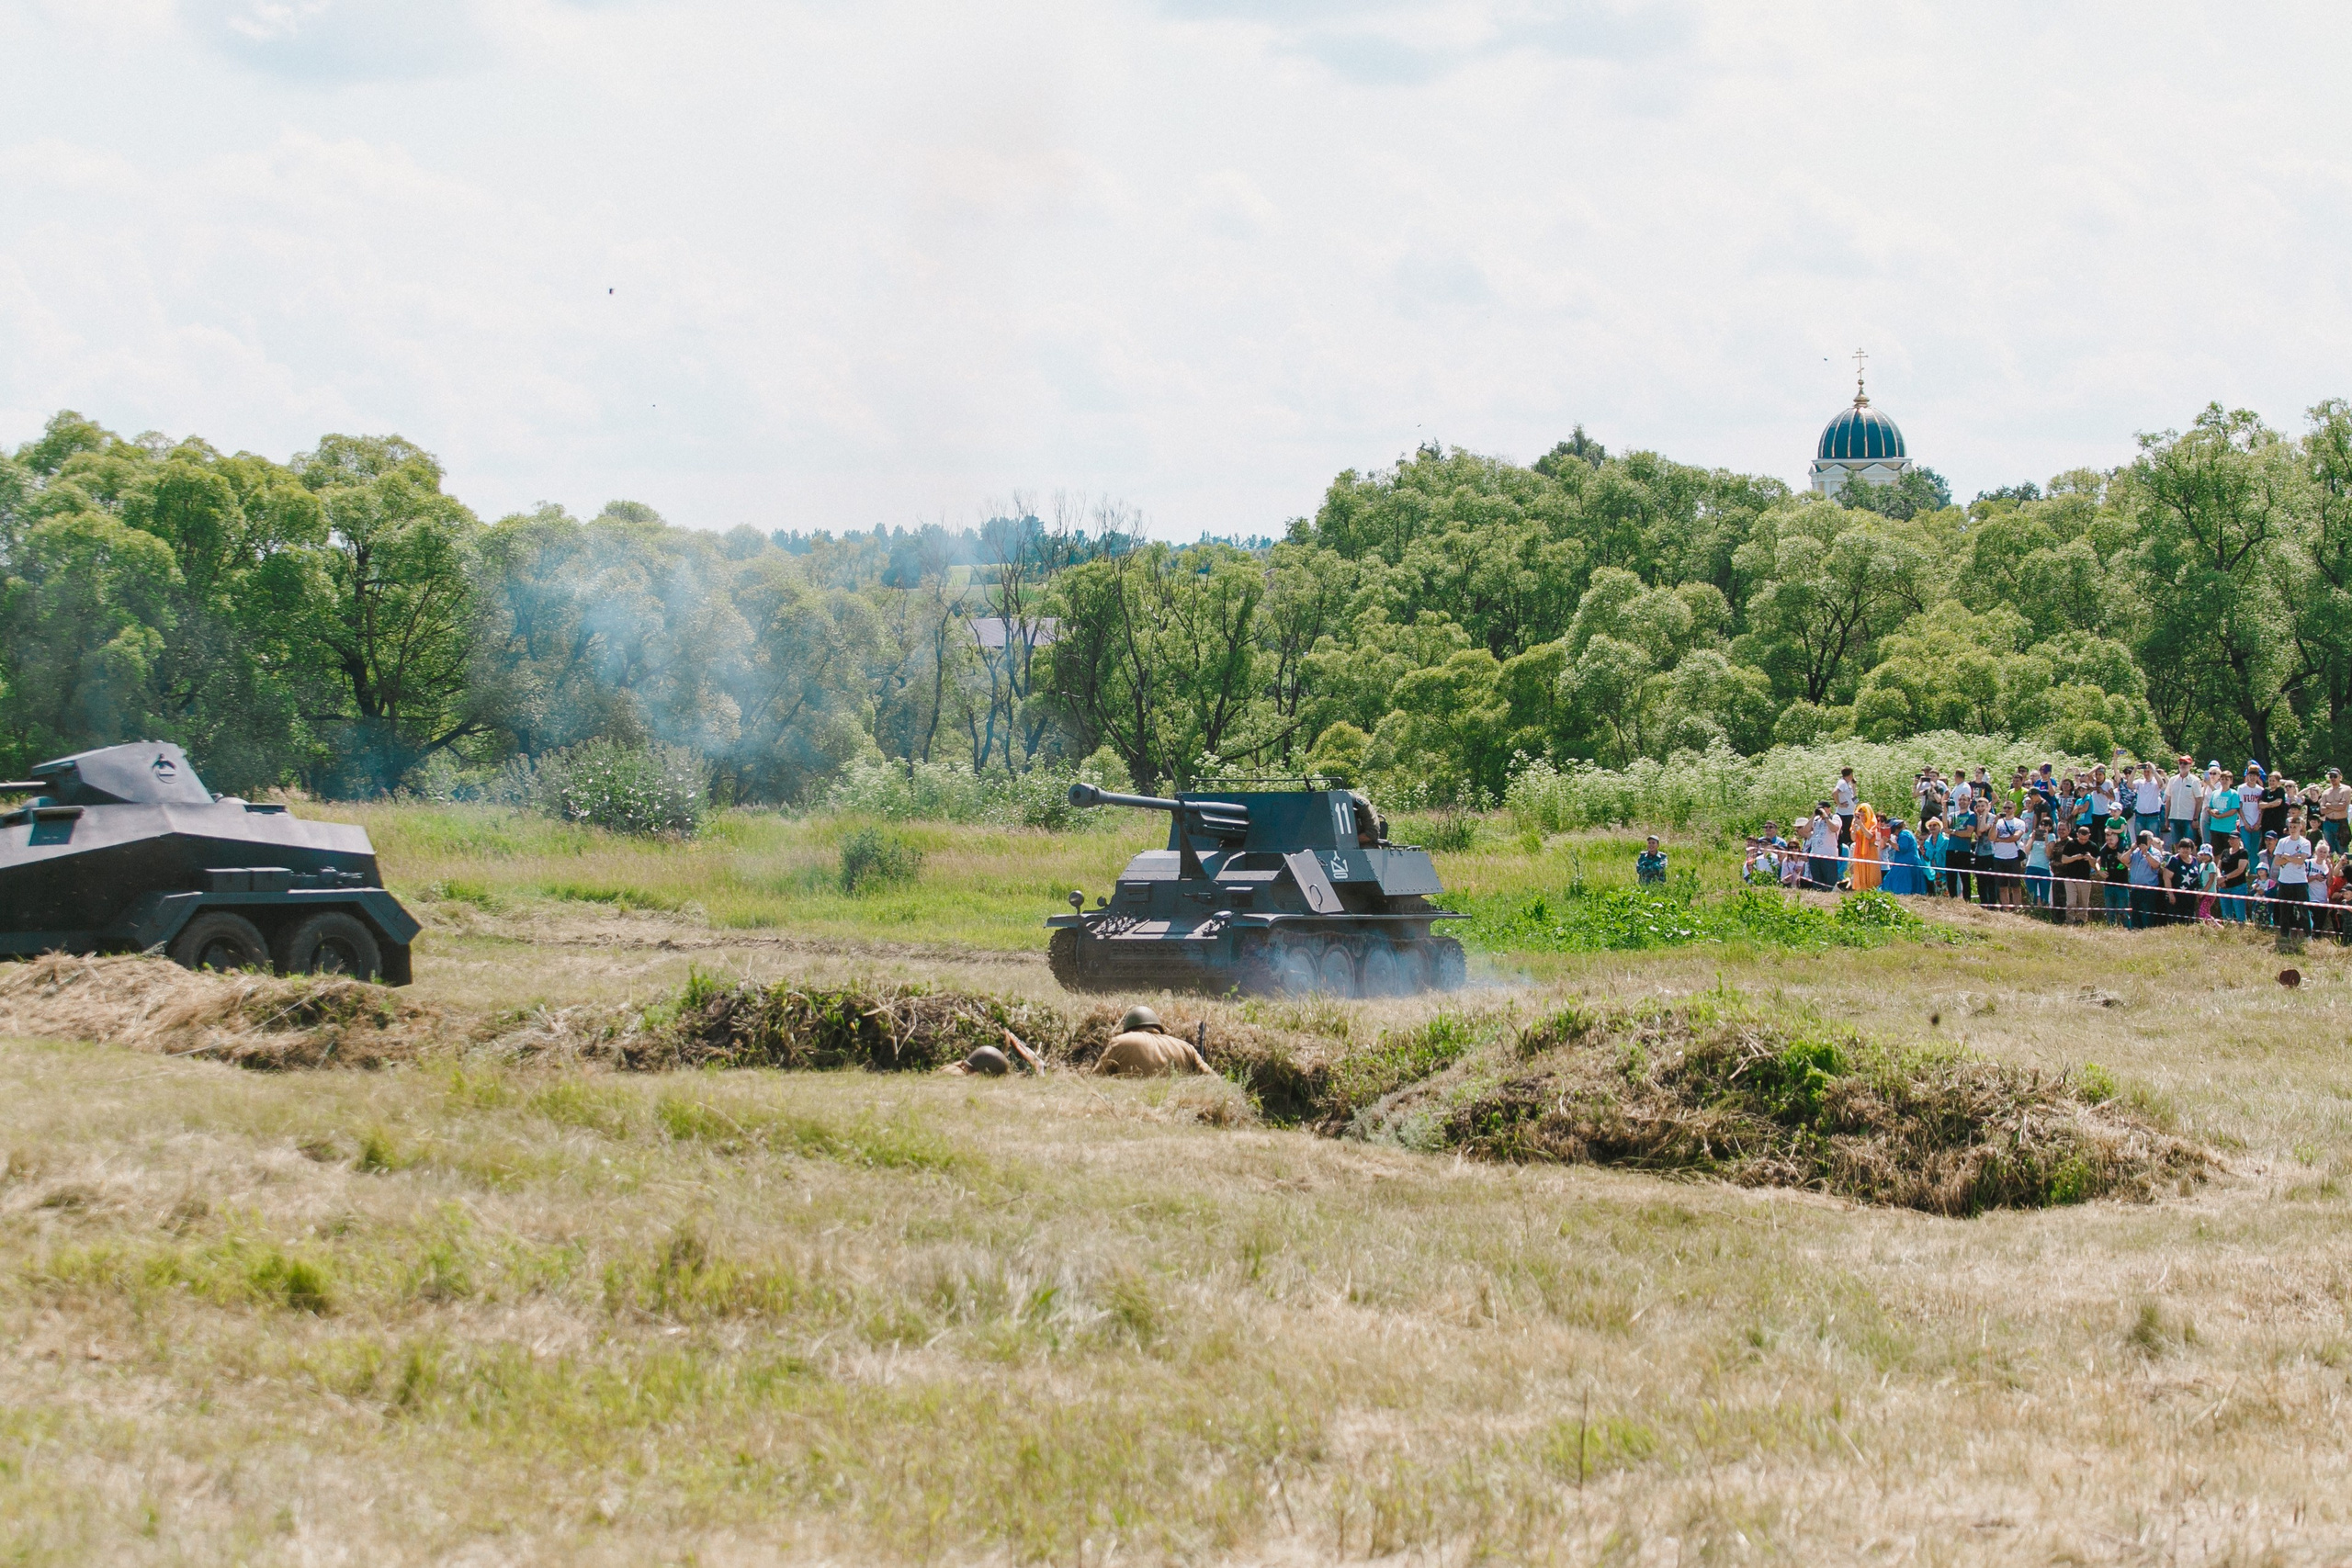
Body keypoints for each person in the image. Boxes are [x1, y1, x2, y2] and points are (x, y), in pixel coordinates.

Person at [2054, 824, 2098, 925]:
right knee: (2071, 903)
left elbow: (2095, 866)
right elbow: (2064, 860)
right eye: (2081, 839)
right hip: (2070, 878)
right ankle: (2070, 921)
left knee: (2083, 904)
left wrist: (2090, 858)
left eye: (2085, 839)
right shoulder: (2071, 844)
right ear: (2077, 834)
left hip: (2085, 879)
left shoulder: (2093, 846)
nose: (2083, 841)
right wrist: (2076, 857)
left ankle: (2081, 922)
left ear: (2089, 836)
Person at [2127, 830, 2167, 931]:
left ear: (2150, 841)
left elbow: (2156, 865)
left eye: (2144, 839)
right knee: (2135, 913)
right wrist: (2131, 849)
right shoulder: (2136, 852)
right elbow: (2124, 860)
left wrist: (2146, 853)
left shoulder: (2156, 852)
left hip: (2149, 890)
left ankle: (2147, 931)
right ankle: (2135, 930)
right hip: (2135, 888)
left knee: (2147, 914)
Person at [1988, 801, 2025, 908]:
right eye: (2005, 808)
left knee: (2016, 886)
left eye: (2009, 808)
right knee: (2002, 887)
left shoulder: (2019, 823)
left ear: (2014, 808)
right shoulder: (1998, 823)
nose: (2007, 810)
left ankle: (2018, 908)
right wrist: (1995, 822)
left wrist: (1999, 839)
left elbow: (2015, 837)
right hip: (1999, 858)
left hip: (2013, 858)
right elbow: (1991, 837)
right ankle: (2006, 908)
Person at [2165, 755, 2204, 847]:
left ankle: (2192, 861)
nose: (2182, 765)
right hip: (2174, 817)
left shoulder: (2195, 781)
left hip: (2188, 818)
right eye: (2180, 763)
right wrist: (2167, 819)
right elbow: (2168, 800)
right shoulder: (2172, 780)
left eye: (2185, 763)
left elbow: (2199, 800)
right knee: (2176, 844)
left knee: (2190, 845)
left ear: (2190, 765)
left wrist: (2195, 818)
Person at [1883, 818, 1927, 895]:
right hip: (1908, 861)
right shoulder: (1906, 833)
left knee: (1894, 882)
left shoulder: (1904, 834)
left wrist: (1889, 841)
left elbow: (1902, 848)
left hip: (1906, 862)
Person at [2099, 828, 2132, 928]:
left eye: (2111, 840)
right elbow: (2097, 862)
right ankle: (2111, 929)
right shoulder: (2104, 850)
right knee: (2110, 912)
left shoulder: (2124, 850)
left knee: (2123, 912)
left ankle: (2128, 929)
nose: (2109, 842)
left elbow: (2131, 866)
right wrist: (2099, 871)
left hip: (2122, 885)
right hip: (2108, 885)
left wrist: (2122, 860)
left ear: (2117, 839)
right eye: (2107, 840)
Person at [2205, 771, 2242, 857]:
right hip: (2215, 827)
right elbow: (2209, 807)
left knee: (2228, 852)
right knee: (2216, 853)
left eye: (2227, 779)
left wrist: (2220, 816)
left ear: (2231, 781)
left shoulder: (2234, 794)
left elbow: (2234, 810)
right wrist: (2212, 812)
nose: (2224, 781)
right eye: (2222, 779)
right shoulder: (2215, 793)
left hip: (2228, 829)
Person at [1806, 804, 1841, 890]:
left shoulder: (1835, 817)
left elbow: (1834, 828)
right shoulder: (1816, 820)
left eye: (1822, 808)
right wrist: (1813, 816)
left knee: (1829, 881)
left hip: (1828, 855)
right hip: (1814, 854)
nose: (1820, 810)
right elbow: (1805, 830)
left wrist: (1825, 816)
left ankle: (1830, 894)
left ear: (1829, 809)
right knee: (1817, 881)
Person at [2216, 832, 2249, 923]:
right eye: (2230, 838)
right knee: (2226, 915)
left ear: (2239, 840)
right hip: (2224, 887)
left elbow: (2240, 869)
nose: (2231, 841)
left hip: (2238, 887)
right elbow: (2218, 866)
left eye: (2234, 838)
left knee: (2240, 914)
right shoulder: (2225, 852)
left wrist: (2225, 877)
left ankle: (2242, 932)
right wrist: (2219, 877)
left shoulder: (2243, 852)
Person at [1850, 803, 1883, 892]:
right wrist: (1854, 829)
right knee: (1860, 871)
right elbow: (1853, 839)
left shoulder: (1873, 823)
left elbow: (1869, 836)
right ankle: (1861, 889)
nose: (1861, 814)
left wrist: (1861, 825)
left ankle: (1872, 890)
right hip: (1859, 850)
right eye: (1859, 812)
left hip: (1870, 851)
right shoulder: (1855, 823)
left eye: (1863, 812)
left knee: (1871, 871)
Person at [2132, 762, 2166, 843]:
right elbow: (2130, 785)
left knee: (2154, 841)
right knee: (2140, 841)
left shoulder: (2155, 783)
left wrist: (2154, 770)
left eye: (2148, 772)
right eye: (2145, 772)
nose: (2146, 774)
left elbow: (2161, 784)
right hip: (2140, 816)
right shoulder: (2139, 782)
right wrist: (2135, 769)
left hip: (2153, 817)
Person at [2023, 822, 2053, 912]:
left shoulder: (2051, 836)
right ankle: (2033, 913)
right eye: (2042, 824)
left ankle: (2044, 913)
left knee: (2044, 896)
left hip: (2044, 868)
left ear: (2050, 827)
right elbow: (2027, 850)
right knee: (2032, 895)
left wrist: (2046, 840)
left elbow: (2049, 854)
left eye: (2046, 825)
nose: (2043, 826)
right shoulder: (2033, 835)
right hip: (2031, 866)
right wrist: (2032, 838)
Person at [2322, 767, 2352, 853]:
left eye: (2335, 776)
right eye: (2331, 776)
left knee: (2343, 850)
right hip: (2328, 823)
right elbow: (2322, 810)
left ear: (2340, 777)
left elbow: (2342, 807)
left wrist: (2329, 805)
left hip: (2340, 823)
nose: (2333, 778)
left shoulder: (2346, 789)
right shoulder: (2326, 792)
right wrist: (2336, 805)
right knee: (2328, 851)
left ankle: (2344, 867)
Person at [1918, 816, 1949, 895]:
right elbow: (1928, 859)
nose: (1932, 827)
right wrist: (1923, 854)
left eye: (1934, 825)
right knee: (1936, 893)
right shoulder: (1927, 842)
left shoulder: (1946, 841)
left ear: (1939, 827)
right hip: (1934, 871)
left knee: (1946, 893)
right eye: (1930, 826)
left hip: (1945, 870)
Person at [2191, 844, 2220, 923]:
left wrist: (2204, 891)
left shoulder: (2211, 865)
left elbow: (2211, 879)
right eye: (2202, 855)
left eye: (2206, 855)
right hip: (2202, 892)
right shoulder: (2202, 865)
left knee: (2203, 913)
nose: (2203, 856)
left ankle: (2217, 926)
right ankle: (2208, 927)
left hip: (2209, 893)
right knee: (2204, 912)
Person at [1834, 767, 1858, 847]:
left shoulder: (1848, 784)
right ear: (1850, 774)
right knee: (1846, 835)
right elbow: (1834, 793)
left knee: (1850, 834)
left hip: (1850, 812)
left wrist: (1854, 785)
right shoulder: (1842, 783)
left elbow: (1853, 797)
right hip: (1844, 814)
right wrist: (1839, 804)